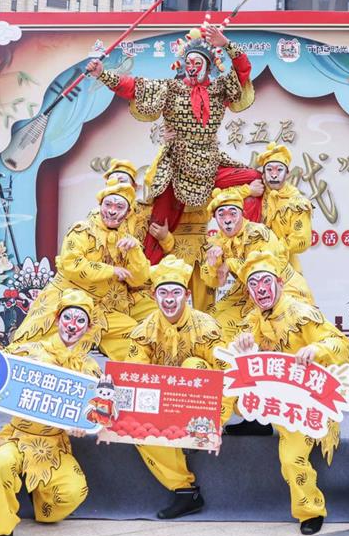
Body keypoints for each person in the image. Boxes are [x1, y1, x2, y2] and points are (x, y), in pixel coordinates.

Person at [228, 251, 349, 535]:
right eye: (253, 284)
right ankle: (256, 422)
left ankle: (311, 510)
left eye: (265, 281)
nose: (260, 289)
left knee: (292, 459)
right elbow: (246, 361)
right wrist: (245, 348)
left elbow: (341, 344)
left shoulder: (301, 313)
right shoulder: (252, 319)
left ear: (279, 282)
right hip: (276, 396)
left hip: (306, 399)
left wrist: (317, 348)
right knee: (232, 386)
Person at [87, 23, 262, 265]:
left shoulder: (220, 89)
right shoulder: (170, 88)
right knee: (159, 225)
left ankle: (253, 253)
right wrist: (102, 74)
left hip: (211, 162)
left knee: (255, 179)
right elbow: (134, 87)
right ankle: (146, 275)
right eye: (188, 62)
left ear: (208, 66)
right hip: (176, 166)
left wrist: (226, 45)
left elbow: (242, 71)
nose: (192, 67)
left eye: (197, 62)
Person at [0, 289, 101, 536]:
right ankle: (2, 528)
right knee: (1, 464)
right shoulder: (29, 351)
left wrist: (83, 425)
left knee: (74, 492)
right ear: (57, 319)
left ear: (88, 327)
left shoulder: (90, 369)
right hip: (17, 436)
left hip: (53, 445)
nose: (72, 325)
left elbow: (95, 410)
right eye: (67, 317)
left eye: (80, 320)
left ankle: (39, 502)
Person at [124, 255, 233, 519]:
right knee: (135, 424)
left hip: (203, 407)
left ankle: (196, 431)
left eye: (175, 292)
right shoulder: (144, 331)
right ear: (153, 295)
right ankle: (185, 491)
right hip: (164, 404)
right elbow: (133, 375)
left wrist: (216, 422)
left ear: (187, 294)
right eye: (163, 293)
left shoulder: (206, 327)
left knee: (194, 366)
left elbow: (228, 374)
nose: (169, 299)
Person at [10, 178, 155, 361]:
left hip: (97, 309)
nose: (112, 211)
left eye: (119, 207)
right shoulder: (82, 230)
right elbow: (72, 263)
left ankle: (130, 376)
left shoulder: (126, 240)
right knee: (30, 348)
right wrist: (111, 270)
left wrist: (135, 252)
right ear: (100, 205)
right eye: (108, 204)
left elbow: (139, 279)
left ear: (128, 213)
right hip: (63, 301)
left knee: (132, 335)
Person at [200, 188, 313, 341]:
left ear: (242, 214)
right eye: (221, 215)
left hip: (278, 287)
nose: (227, 219)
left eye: (232, 213)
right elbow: (213, 282)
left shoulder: (257, 233)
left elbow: (265, 267)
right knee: (212, 324)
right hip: (247, 291)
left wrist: (229, 263)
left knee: (280, 332)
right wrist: (213, 264)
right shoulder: (216, 241)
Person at [229, 143, 313, 272]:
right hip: (251, 267)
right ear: (263, 174)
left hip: (285, 268)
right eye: (269, 170)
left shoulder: (297, 202)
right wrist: (247, 190)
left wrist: (268, 249)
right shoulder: (255, 194)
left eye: (279, 170)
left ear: (287, 174)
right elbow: (221, 198)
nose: (274, 174)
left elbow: (302, 240)